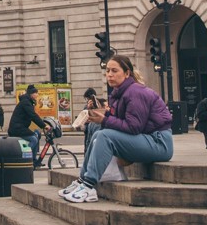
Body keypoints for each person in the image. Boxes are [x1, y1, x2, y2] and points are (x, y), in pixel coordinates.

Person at [61, 55, 174, 204]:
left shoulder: (135, 92)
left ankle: (88, 186)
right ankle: (82, 181)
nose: (109, 74)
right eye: (107, 70)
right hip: (148, 139)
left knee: (105, 136)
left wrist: (105, 120)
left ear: (127, 73)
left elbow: (133, 127)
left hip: (159, 142)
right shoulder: (120, 92)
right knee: (98, 133)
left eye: (114, 70)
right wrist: (102, 114)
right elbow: (122, 120)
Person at [9, 84, 51, 169]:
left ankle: (33, 160)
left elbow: (33, 115)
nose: (37, 95)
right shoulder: (26, 102)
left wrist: (44, 123)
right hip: (16, 129)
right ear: (31, 94)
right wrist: (43, 125)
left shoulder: (28, 102)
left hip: (21, 127)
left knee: (37, 133)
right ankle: (24, 157)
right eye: (35, 93)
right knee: (33, 139)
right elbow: (33, 115)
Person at [79, 88, 103, 155]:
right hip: (87, 130)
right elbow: (82, 118)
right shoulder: (86, 107)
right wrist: (88, 108)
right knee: (87, 147)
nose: (86, 100)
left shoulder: (98, 105)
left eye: (87, 98)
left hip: (94, 130)